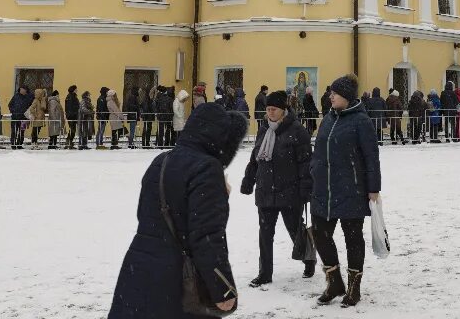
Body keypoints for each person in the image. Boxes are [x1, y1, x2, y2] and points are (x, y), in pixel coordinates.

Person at [107, 102, 245, 318]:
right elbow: (207, 236)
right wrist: (223, 288)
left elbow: (147, 214)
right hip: (176, 280)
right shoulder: (208, 169)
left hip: (139, 269)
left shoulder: (161, 160)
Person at [310, 74, 380, 307]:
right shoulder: (329, 118)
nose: (330, 96)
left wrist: (373, 188)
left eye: (335, 93)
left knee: (353, 239)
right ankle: (334, 281)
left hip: (352, 189)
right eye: (331, 92)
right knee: (320, 233)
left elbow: (371, 157)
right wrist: (313, 172)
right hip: (324, 189)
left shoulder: (361, 121)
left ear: (347, 98)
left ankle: (353, 287)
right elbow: (319, 150)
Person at [240, 90, 317, 287]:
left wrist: (306, 189)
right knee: (265, 234)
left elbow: (305, 163)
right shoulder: (264, 130)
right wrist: (248, 180)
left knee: (295, 230)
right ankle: (264, 273)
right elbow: (255, 158)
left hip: (289, 190)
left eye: (274, 109)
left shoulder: (297, 131)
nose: (270, 113)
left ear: (283, 110)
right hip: (265, 190)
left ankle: (308, 259)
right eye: (267, 109)